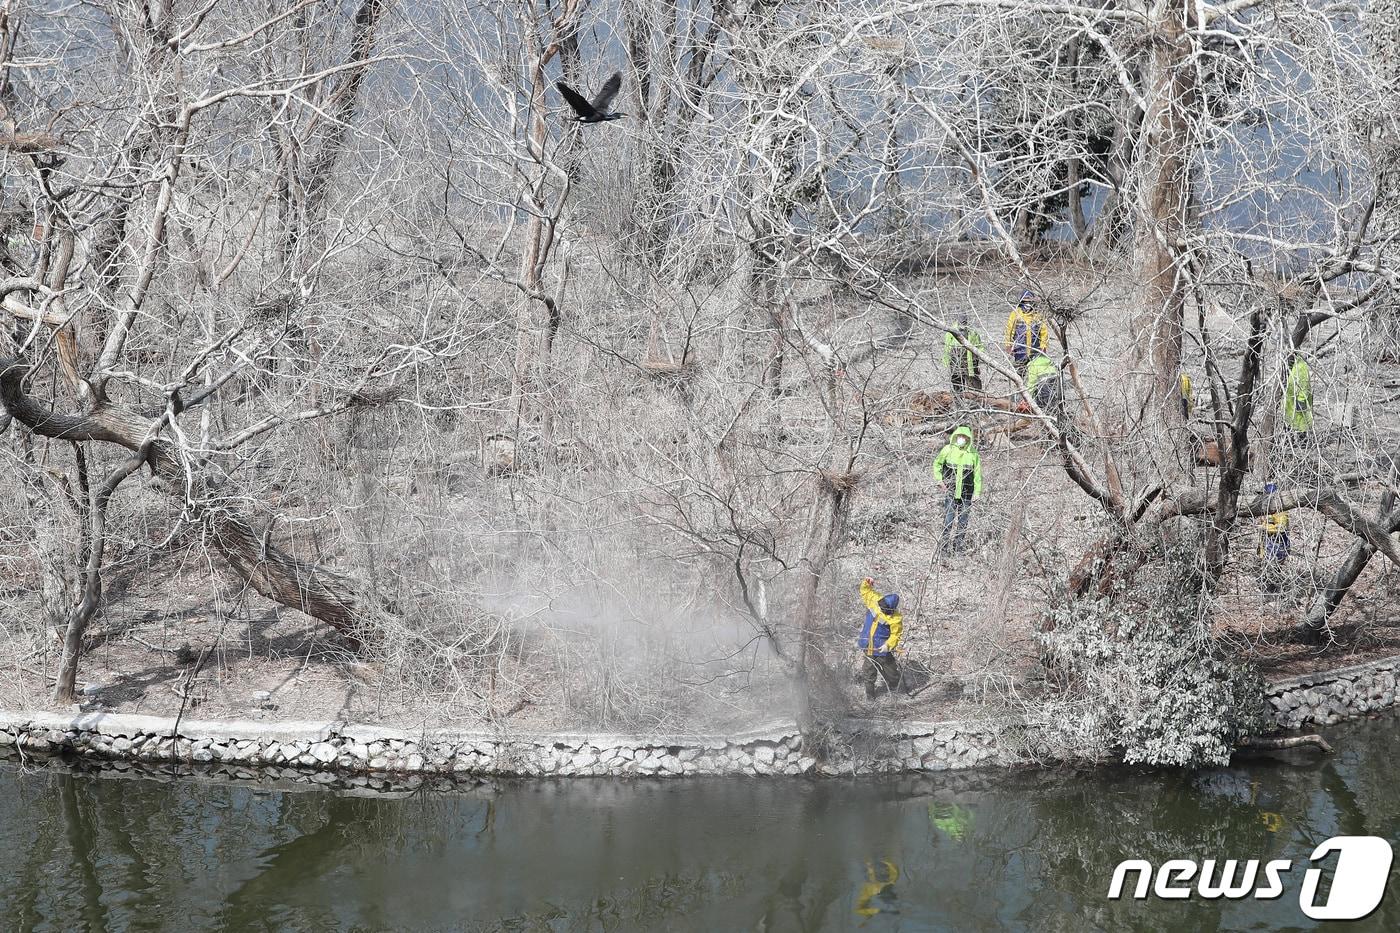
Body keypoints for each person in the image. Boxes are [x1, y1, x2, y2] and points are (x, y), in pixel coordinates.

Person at [933, 425, 982, 554]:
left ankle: (957, 548)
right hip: (950, 491)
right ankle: (943, 549)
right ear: (955, 436)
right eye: (959, 436)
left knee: (963, 522)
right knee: (948, 521)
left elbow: (977, 475)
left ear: (968, 439)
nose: (961, 439)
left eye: (964, 437)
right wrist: (940, 481)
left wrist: (977, 492)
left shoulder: (973, 454)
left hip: (967, 493)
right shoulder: (947, 450)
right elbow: (937, 464)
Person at [857, 578, 904, 699]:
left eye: (885, 610)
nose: (882, 610)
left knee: (892, 672)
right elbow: (865, 591)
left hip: (882, 648)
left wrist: (888, 645)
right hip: (868, 645)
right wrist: (867, 582)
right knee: (868, 673)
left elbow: (896, 635)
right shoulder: (875, 601)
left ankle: (897, 691)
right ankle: (870, 697)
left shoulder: (895, 618)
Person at [1004, 289, 1049, 377]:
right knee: (1020, 374)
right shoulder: (1015, 314)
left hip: (1035, 350)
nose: (1027, 304)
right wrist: (1008, 345)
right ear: (1021, 301)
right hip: (1020, 351)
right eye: (1025, 301)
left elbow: (1044, 332)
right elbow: (1009, 330)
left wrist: (1043, 347)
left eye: (1029, 301)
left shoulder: (1038, 315)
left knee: (1034, 374)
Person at [1259, 482, 1290, 596]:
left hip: (1278, 544)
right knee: (1267, 567)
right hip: (1268, 543)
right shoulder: (1267, 508)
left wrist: (1265, 527)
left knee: (1274, 568)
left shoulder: (1281, 510)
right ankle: (1268, 589)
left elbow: (1281, 528)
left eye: (1267, 494)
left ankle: (1273, 591)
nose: (1265, 497)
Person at [942, 314, 984, 394]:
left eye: (964, 321)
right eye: (961, 320)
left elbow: (979, 346)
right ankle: (958, 400)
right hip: (956, 359)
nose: (963, 322)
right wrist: (946, 361)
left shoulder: (972, 332)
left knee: (973, 381)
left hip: (971, 360)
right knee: (957, 381)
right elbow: (947, 348)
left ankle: (975, 401)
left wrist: (980, 357)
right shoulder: (951, 332)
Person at [1025, 348, 1061, 417]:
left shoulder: (1033, 364)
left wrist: (1028, 397)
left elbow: (1031, 383)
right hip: (1055, 384)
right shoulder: (1050, 361)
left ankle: (1044, 415)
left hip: (1043, 386)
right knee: (1053, 402)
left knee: (1043, 405)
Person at [1282, 353, 1313, 434]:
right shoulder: (1287, 364)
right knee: (1290, 426)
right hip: (1290, 405)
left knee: (1301, 427)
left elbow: (1304, 385)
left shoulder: (1300, 366)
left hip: (1299, 406)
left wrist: (1301, 401)